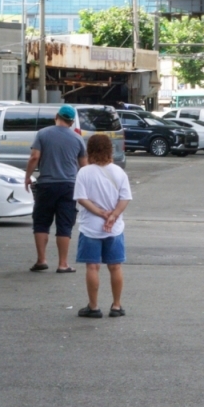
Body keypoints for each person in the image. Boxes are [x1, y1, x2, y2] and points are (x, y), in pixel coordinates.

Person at [73, 134, 131, 318]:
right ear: (109, 150)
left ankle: (94, 306)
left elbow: (81, 198)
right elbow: (125, 198)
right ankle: (116, 305)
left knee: (92, 267)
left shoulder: (84, 172)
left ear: (89, 150)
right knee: (115, 267)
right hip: (114, 228)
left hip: (90, 227)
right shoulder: (118, 172)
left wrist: (100, 213)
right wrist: (112, 215)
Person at [24, 105, 88, 273]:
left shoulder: (43, 133)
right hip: (69, 186)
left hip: (46, 184)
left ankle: (41, 260)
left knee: (41, 222)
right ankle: (62, 263)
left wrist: (27, 176)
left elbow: (34, 157)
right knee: (64, 224)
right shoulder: (77, 139)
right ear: (72, 121)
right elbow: (84, 166)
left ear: (56, 116)